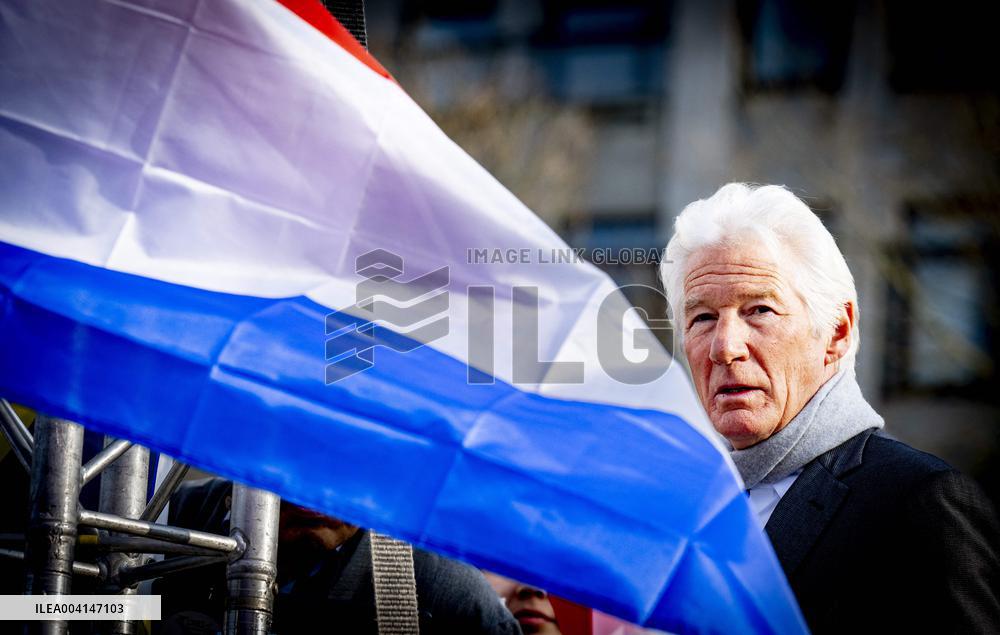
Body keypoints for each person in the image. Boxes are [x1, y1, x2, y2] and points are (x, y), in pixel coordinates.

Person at [660, 183, 1000, 633]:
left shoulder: (918, 502)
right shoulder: (679, 512)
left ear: (836, 333)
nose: (725, 347)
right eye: (702, 318)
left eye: (759, 310)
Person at [154, 477, 520, 634]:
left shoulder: (437, 594)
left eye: (341, 462)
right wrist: (152, 613)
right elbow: (102, 607)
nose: (317, 491)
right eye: (296, 451)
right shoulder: (162, 515)